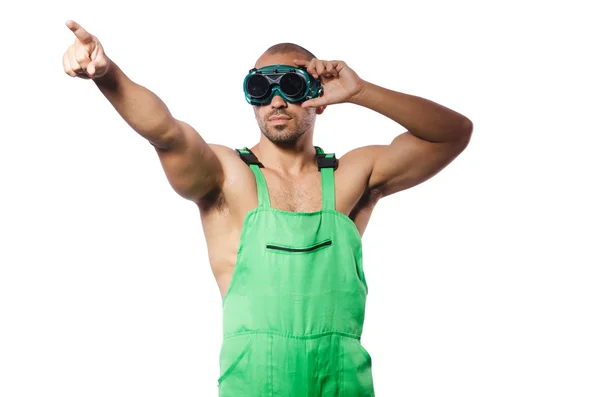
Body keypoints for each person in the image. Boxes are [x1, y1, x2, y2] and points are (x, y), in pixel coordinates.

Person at [62, 19, 473, 397]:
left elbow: (452, 134)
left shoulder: (352, 175)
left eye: (291, 86)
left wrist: (362, 92)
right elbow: (166, 133)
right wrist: (108, 75)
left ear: (319, 97)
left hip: (343, 383)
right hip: (255, 383)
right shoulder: (228, 175)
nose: (276, 100)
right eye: (261, 89)